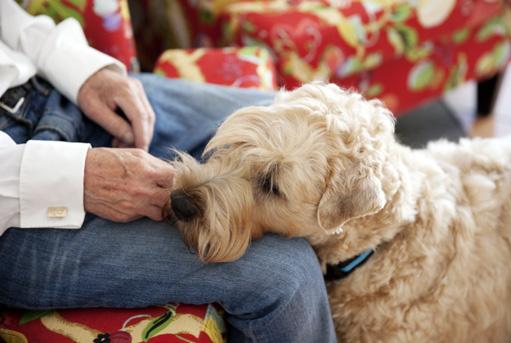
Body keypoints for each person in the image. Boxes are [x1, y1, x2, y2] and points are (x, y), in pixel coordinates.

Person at [0, 1, 336, 342]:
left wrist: (82, 70)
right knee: (286, 274)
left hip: (44, 89)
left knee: (299, 133)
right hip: (12, 205)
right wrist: (71, 177)